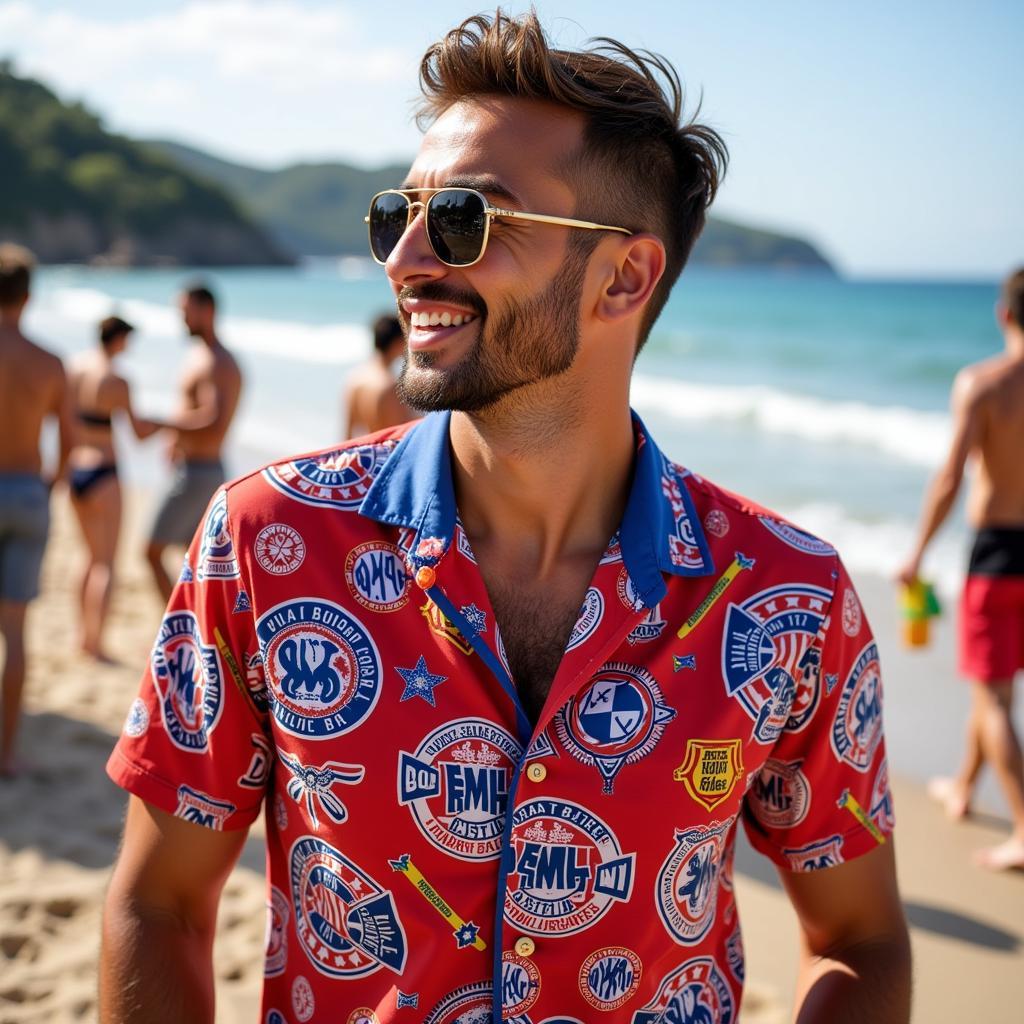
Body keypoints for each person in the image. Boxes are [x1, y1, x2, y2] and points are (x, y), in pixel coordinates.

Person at [101, 12, 911, 1023]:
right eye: (396, 213)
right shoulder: (268, 543)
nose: (401, 257)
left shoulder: (789, 598)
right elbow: (159, 900)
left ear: (623, 276)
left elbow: (860, 938)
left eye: (464, 220)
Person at [898, 267, 1024, 872]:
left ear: (1004, 315)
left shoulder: (985, 384)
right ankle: (964, 785)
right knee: (994, 685)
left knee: (995, 696)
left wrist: (918, 551)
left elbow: (951, 477)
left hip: (999, 556)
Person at [0, 243, 71, 776]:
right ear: (28, 297)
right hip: (27, 491)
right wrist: (47, 486)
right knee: (16, 632)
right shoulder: (49, 362)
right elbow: (68, 445)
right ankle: (6, 753)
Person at [66, 316, 162, 661]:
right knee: (107, 562)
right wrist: (170, 424)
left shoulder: (74, 368)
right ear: (118, 338)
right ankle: (96, 643)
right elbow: (138, 433)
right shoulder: (118, 379)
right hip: (105, 473)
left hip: (76, 467)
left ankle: (81, 635)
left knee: (87, 557)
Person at [144, 283, 242, 602]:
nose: (182, 320)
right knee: (197, 563)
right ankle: (195, 630)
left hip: (199, 474)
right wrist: (175, 438)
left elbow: (212, 420)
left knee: (151, 551)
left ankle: (180, 627)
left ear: (206, 310)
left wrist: (162, 424)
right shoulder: (203, 356)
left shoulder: (216, 361)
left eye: (186, 312)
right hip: (198, 470)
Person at [342, 313, 413, 438]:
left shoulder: (354, 378)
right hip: (388, 456)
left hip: (369, 454)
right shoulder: (389, 386)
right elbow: (401, 438)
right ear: (397, 342)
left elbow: (347, 436)